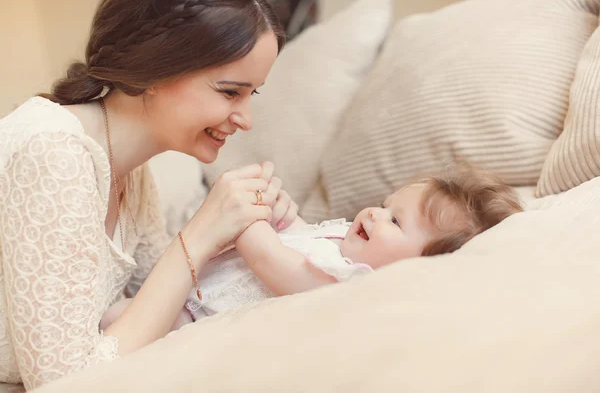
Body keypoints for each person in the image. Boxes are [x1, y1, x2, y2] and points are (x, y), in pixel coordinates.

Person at [0, 0, 291, 390]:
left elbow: (166, 303)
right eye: (229, 92)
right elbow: (62, 384)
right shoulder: (54, 151)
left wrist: (250, 232)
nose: (246, 120)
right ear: (158, 69)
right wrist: (201, 231)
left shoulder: (131, 173)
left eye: (251, 93)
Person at [101, 165, 524, 326]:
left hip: (193, 315)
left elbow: (273, 260)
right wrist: (284, 215)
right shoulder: (343, 244)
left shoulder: (348, 285)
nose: (374, 214)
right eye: (383, 205)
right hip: (192, 285)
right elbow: (301, 237)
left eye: (395, 220)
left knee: (115, 320)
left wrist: (244, 218)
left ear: (420, 267)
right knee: (122, 301)